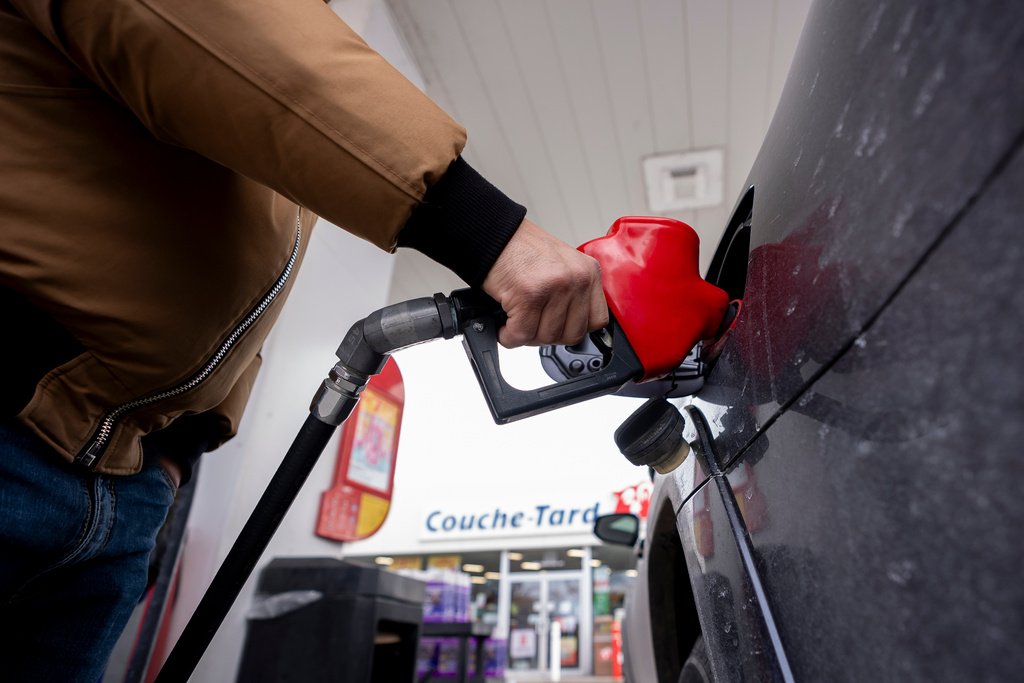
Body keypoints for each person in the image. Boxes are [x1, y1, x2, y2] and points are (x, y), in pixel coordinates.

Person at [0, 0, 608, 679]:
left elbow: (238, 281)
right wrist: (488, 232)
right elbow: (208, 31)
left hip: (120, 471)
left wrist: (180, 444)